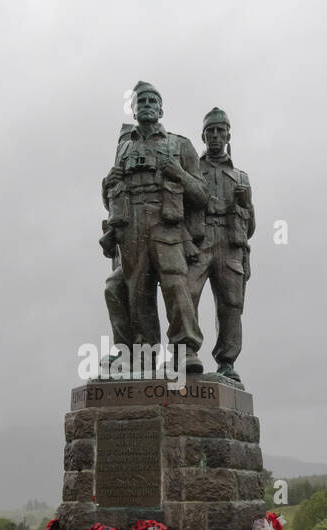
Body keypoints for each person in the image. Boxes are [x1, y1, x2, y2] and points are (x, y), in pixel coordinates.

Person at [103, 81, 209, 374]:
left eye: (152, 101)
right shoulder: (123, 147)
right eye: (142, 101)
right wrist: (107, 184)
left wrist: (179, 174)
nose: (147, 105)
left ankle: (185, 350)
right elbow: (111, 194)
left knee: (176, 285)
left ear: (161, 109)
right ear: (134, 109)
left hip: (166, 225)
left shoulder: (180, 144)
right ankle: (144, 354)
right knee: (137, 291)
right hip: (131, 226)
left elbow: (202, 195)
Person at [188, 107, 255, 385]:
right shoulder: (193, 168)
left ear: (228, 135)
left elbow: (250, 226)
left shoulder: (241, 176)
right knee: (186, 294)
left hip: (230, 243)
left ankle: (227, 361)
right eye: (210, 132)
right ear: (203, 136)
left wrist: (245, 203)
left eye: (220, 131)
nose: (215, 136)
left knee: (231, 305)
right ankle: (187, 352)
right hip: (200, 239)